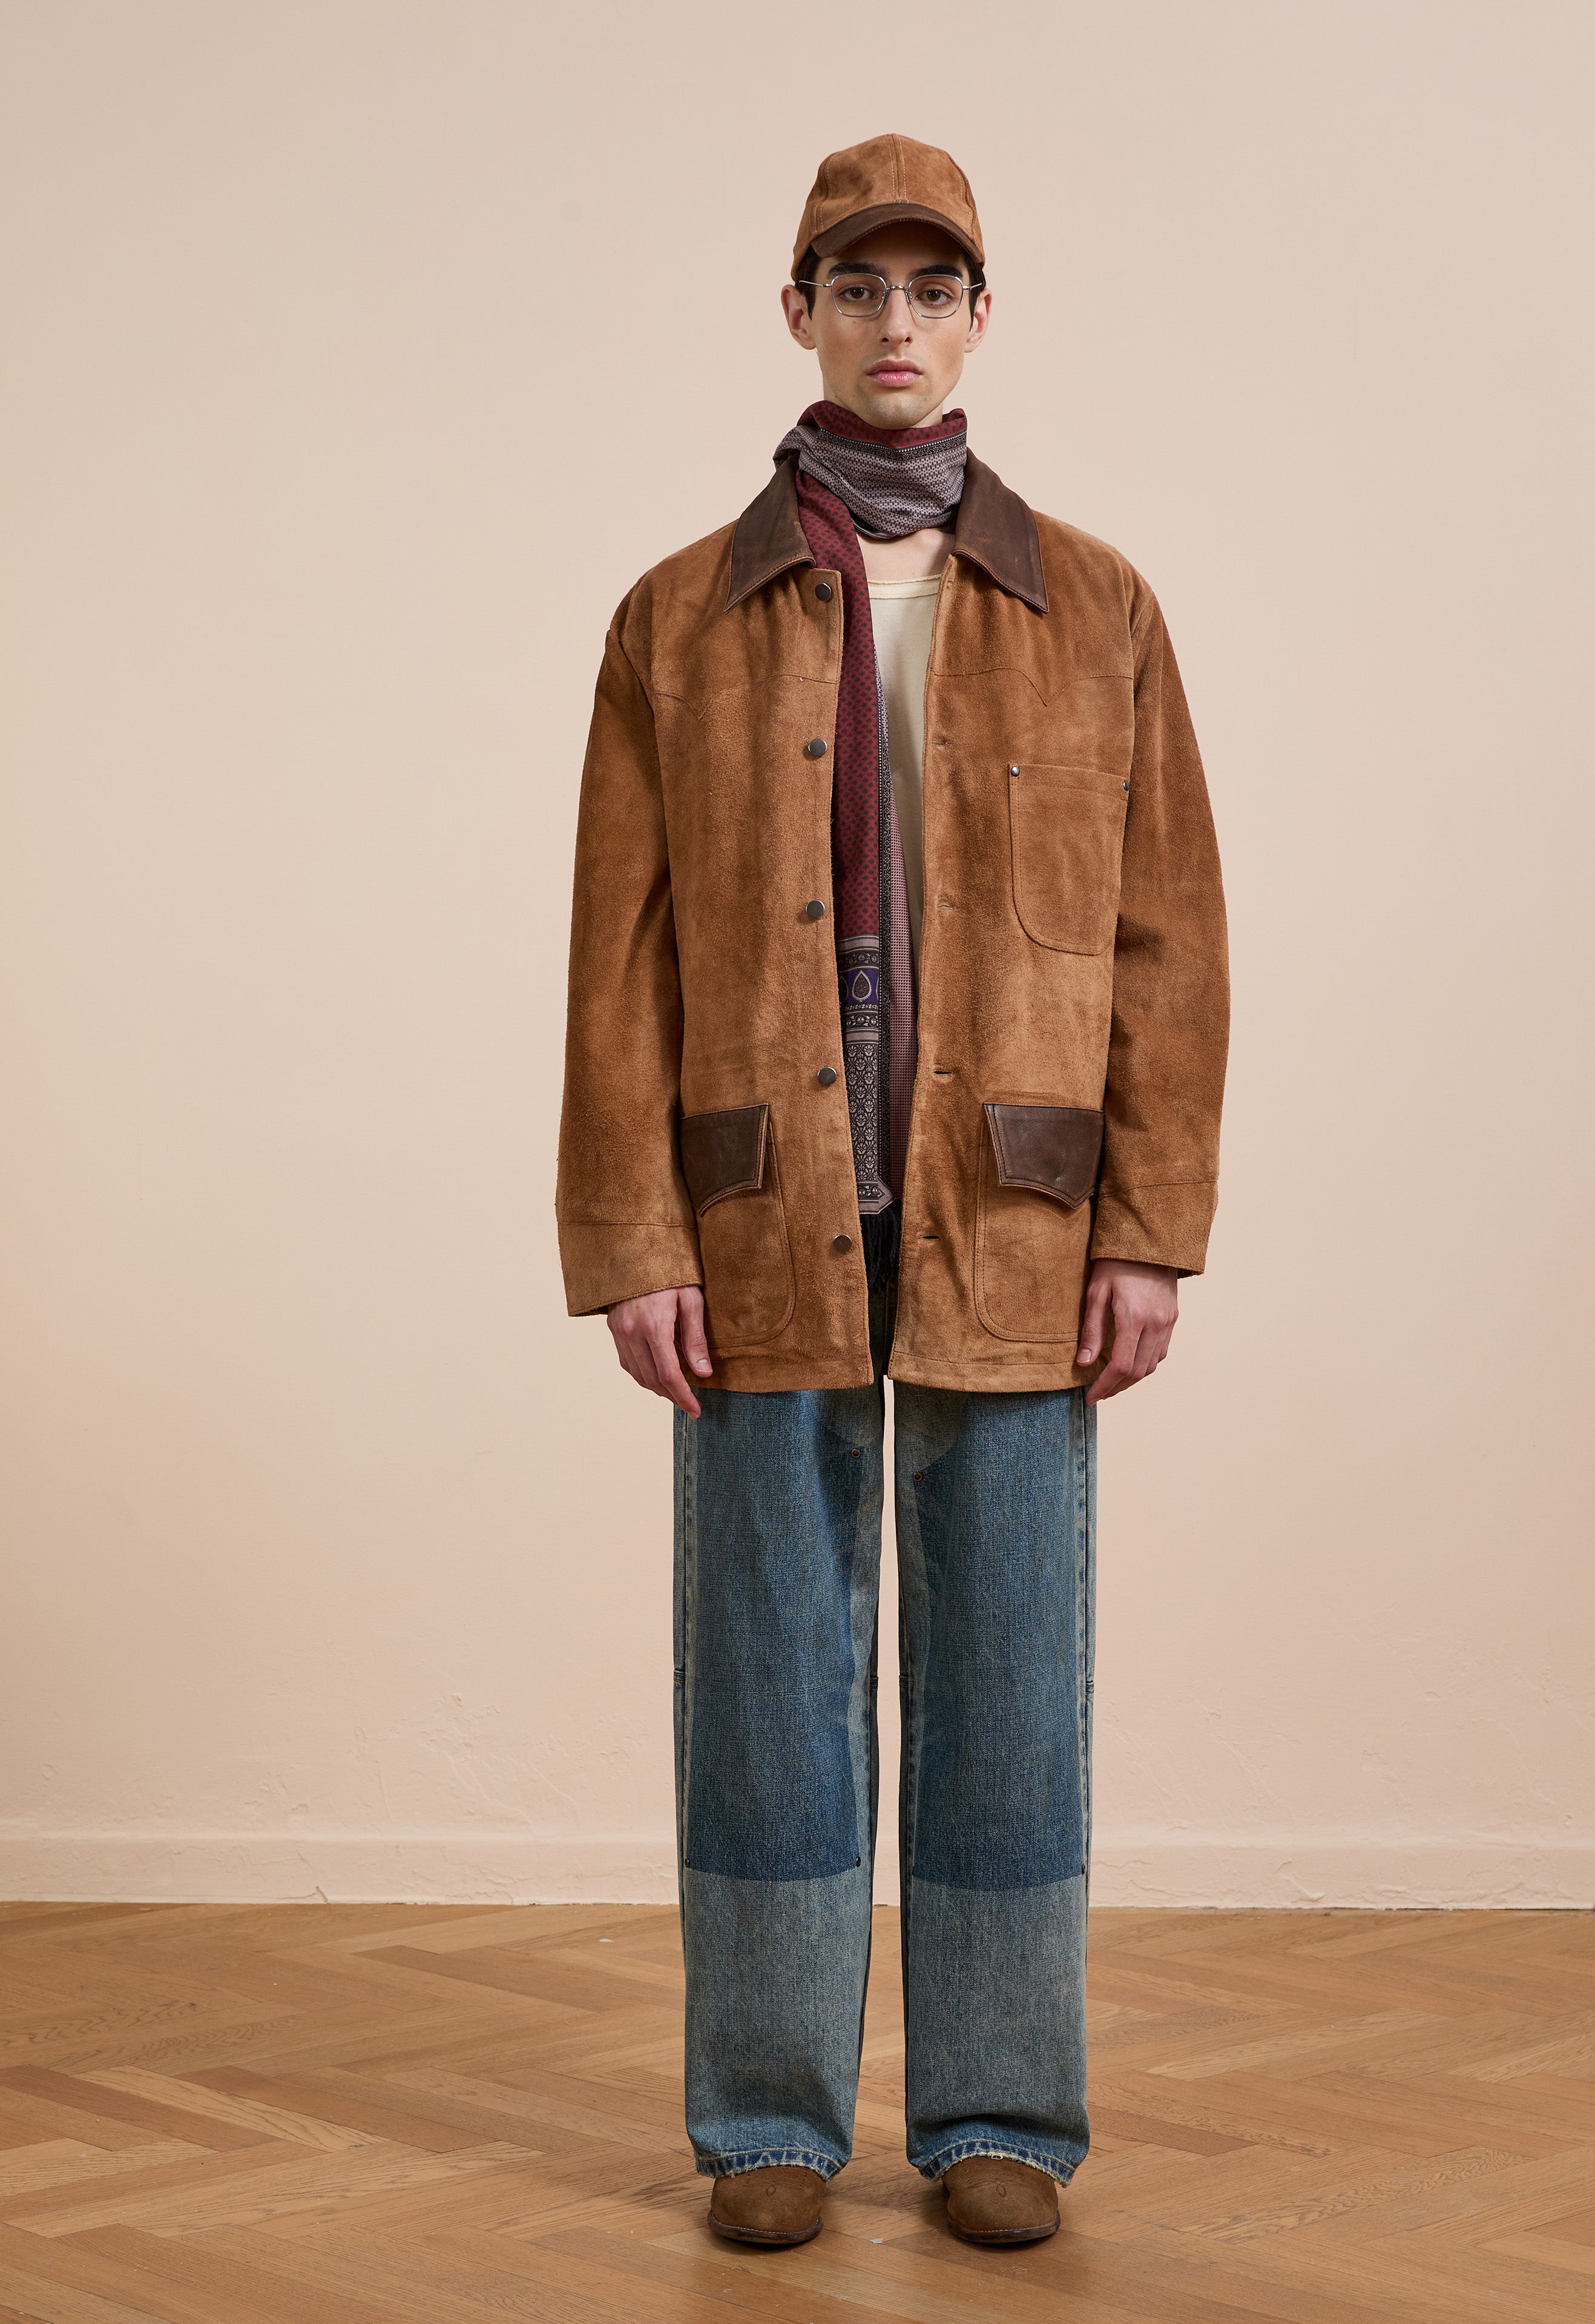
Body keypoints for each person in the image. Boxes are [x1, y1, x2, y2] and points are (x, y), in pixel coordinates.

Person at [556, 132, 1229, 2251]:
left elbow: (1168, 942)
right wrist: (629, 1239)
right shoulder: (678, 614)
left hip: (1016, 1211)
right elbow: (619, 957)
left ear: (980, 319)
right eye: (860, 290)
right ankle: (767, 2121)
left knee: (1013, 1659)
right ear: (802, 313)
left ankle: (1004, 2108)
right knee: (765, 1663)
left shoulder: (1096, 602)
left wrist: (1152, 1222)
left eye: (934, 291)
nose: (898, 326)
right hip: (762, 1200)